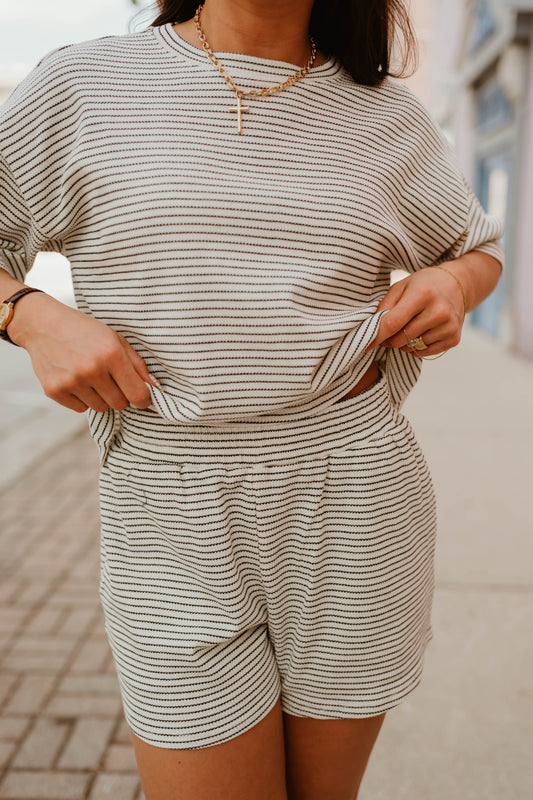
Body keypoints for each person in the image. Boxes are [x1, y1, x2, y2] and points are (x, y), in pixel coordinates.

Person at [0, 1, 504, 798]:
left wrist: (451, 285)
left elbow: (474, 247)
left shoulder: (386, 115)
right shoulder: (82, 85)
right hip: (167, 510)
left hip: (356, 498)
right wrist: (28, 316)